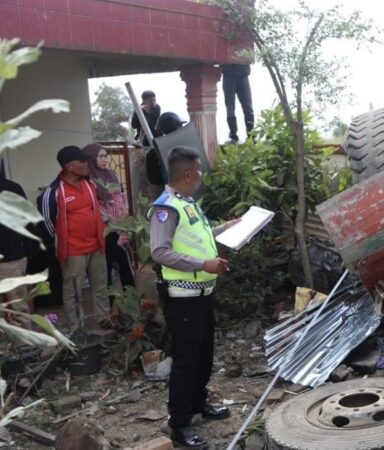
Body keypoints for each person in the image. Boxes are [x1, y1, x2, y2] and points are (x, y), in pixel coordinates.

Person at [148, 146, 239, 449]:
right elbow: (160, 252)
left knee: (203, 356)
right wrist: (204, 265)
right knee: (186, 362)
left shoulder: (187, 203)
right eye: (199, 169)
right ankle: (180, 425)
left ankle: (199, 405)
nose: (202, 174)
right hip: (182, 297)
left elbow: (200, 237)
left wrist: (229, 227)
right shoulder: (166, 208)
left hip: (202, 294)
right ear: (188, 173)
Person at [37, 146, 108, 328]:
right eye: (82, 161)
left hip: (97, 246)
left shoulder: (89, 185)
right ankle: (77, 327)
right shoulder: (53, 192)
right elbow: (47, 223)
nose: (86, 164)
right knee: (74, 291)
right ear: (69, 166)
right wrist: (63, 242)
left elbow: (95, 211)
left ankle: (104, 319)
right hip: (73, 251)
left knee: (100, 286)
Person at [83, 143, 135, 308]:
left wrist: (125, 210)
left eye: (106, 156)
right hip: (105, 229)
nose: (105, 159)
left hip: (120, 226)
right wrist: (110, 220)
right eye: (101, 156)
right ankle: (110, 306)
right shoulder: (88, 181)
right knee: (106, 267)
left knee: (124, 262)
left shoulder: (112, 175)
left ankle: (132, 298)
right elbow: (93, 205)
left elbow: (122, 194)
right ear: (91, 158)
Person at [0, 169, 36, 327]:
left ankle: (26, 349)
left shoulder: (12, 189)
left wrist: (25, 250)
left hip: (12, 260)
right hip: (13, 257)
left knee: (19, 311)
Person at [220, 64, 254, 143]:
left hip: (243, 75)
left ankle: (251, 136)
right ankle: (233, 137)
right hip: (228, 76)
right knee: (230, 108)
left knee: (248, 108)